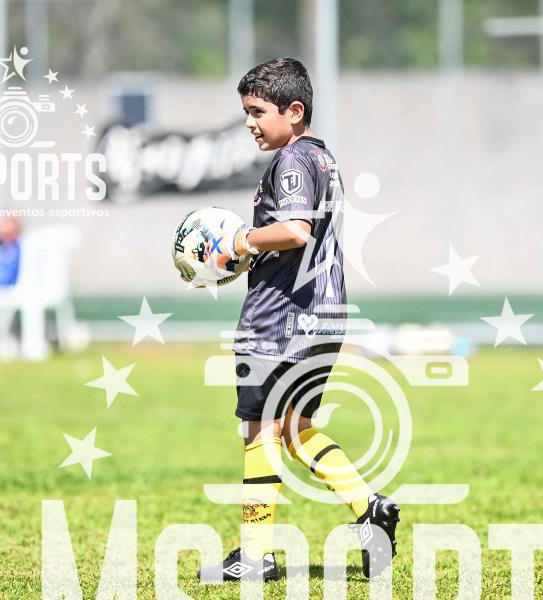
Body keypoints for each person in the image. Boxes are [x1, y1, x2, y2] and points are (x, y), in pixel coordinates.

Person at [197, 57, 399, 583]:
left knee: (259, 428)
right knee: (296, 426)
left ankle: (255, 555)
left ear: (294, 110)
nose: (249, 123)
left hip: (278, 319)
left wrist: (239, 241)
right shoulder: (321, 158)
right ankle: (368, 507)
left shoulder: (290, 160)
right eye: (246, 112)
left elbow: (294, 229)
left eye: (257, 112)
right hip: (324, 316)